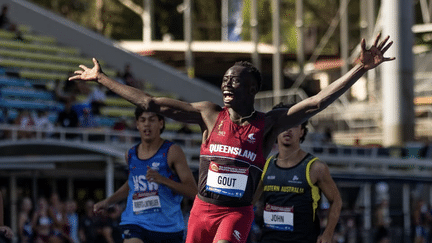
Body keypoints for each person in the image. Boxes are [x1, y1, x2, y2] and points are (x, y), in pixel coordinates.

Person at [70, 34, 394, 243]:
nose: (226, 85)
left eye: (234, 81)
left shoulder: (269, 124)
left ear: (252, 89)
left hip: (235, 213)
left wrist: (360, 70)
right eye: (224, 80)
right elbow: (150, 104)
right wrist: (102, 79)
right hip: (201, 210)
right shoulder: (209, 114)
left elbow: (316, 102)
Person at [93, 107, 198, 243]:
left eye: (151, 120)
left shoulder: (172, 152)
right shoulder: (130, 154)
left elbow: (193, 191)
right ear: (137, 124)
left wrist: (163, 180)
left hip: (168, 227)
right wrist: (108, 201)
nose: (147, 124)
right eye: (142, 120)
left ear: (161, 123)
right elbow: (131, 184)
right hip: (136, 222)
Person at [253, 102, 342, 243]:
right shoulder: (265, 165)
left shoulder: (316, 167)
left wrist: (328, 234)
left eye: (294, 125)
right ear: (276, 130)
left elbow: (336, 200)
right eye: (284, 125)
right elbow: (249, 203)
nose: (288, 130)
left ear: (302, 131)